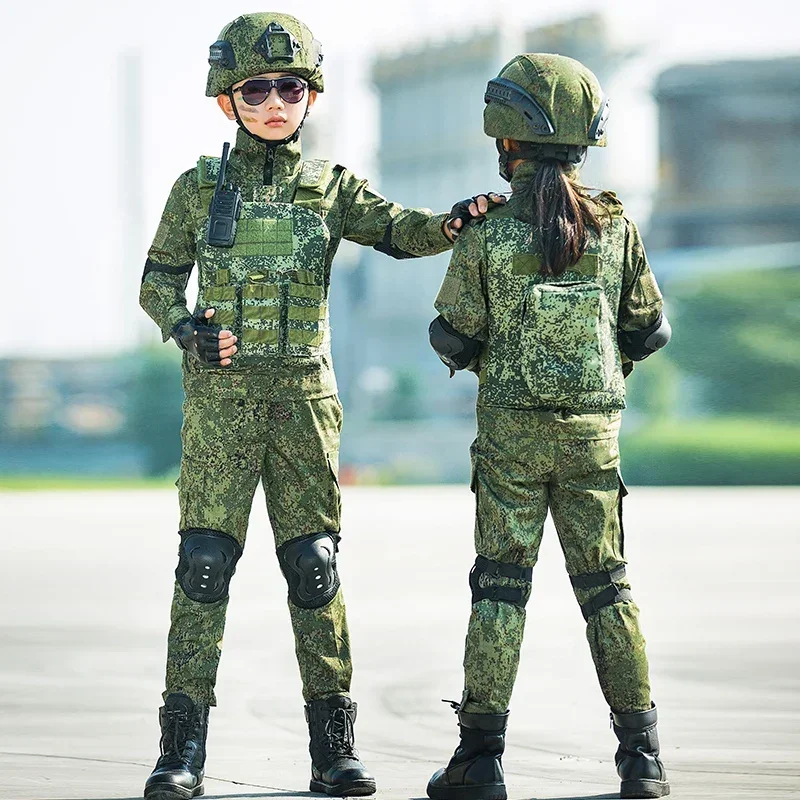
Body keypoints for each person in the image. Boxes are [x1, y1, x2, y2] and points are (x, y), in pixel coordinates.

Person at [139, 13, 499, 800]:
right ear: (226, 100)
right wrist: (184, 329)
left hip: (305, 404)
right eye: (257, 89)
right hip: (221, 407)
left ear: (310, 96)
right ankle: (180, 752)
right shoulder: (198, 189)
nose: (275, 102)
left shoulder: (331, 187)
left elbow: (402, 231)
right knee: (203, 569)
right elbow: (158, 280)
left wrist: (455, 220)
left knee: (315, 570)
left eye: (290, 87)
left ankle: (333, 750)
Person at [426, 54, 672, 800]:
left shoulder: (489, 234)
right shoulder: (616, 226)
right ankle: (643, 760)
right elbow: (649, 329)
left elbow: (454, 335)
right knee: (608, 588)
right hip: (594, 435)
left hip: (511, 438)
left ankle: (479, 760)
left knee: (500, 588)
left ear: (505, 140)